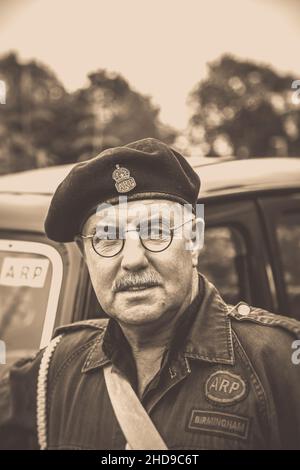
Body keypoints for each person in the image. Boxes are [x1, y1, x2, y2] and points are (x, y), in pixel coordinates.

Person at [0, 138, 300, 450]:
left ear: (194, 240)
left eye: (155, 232)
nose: (132, 260)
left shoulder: (279, 363)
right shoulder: (55, 369)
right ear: (85, 252)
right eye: (107, 236)